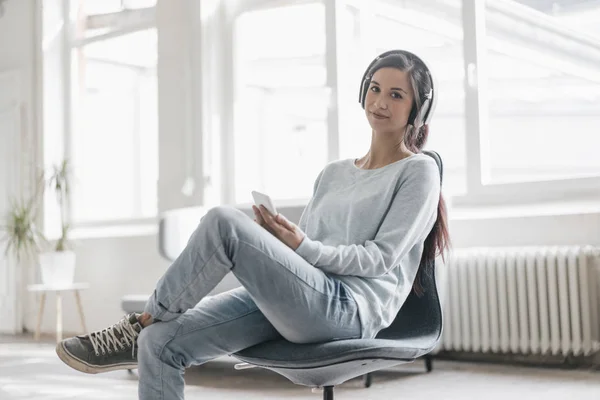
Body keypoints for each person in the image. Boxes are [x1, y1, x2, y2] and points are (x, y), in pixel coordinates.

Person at [55, 49, 451, 399]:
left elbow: (380, 259)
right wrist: (278, 245)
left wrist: (300, 247)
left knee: (224, 221)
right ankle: (147, 331)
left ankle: (139, 322)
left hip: (348, 311)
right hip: (307, 297)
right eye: (376, 88)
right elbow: (310, 251)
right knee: (160, 343)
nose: (380, 101)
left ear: (417, 110)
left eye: (396, 95)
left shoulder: (418, 171)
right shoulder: (333, 173)